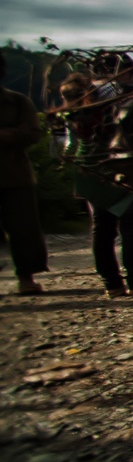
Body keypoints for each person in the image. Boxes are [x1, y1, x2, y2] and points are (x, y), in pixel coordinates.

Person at [74, 55, 133, 298]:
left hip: (89, 166)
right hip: (125, 163)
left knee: (102, 227)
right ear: (127, 71)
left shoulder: (81, 95)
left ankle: (112, 284)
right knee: (131, 226)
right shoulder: (132, 95)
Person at [0, 54, 48, 295]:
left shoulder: (17, 102)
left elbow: (32, 132)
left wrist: (6, 136)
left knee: (23, 229)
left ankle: (26, 277)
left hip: (14, 175)